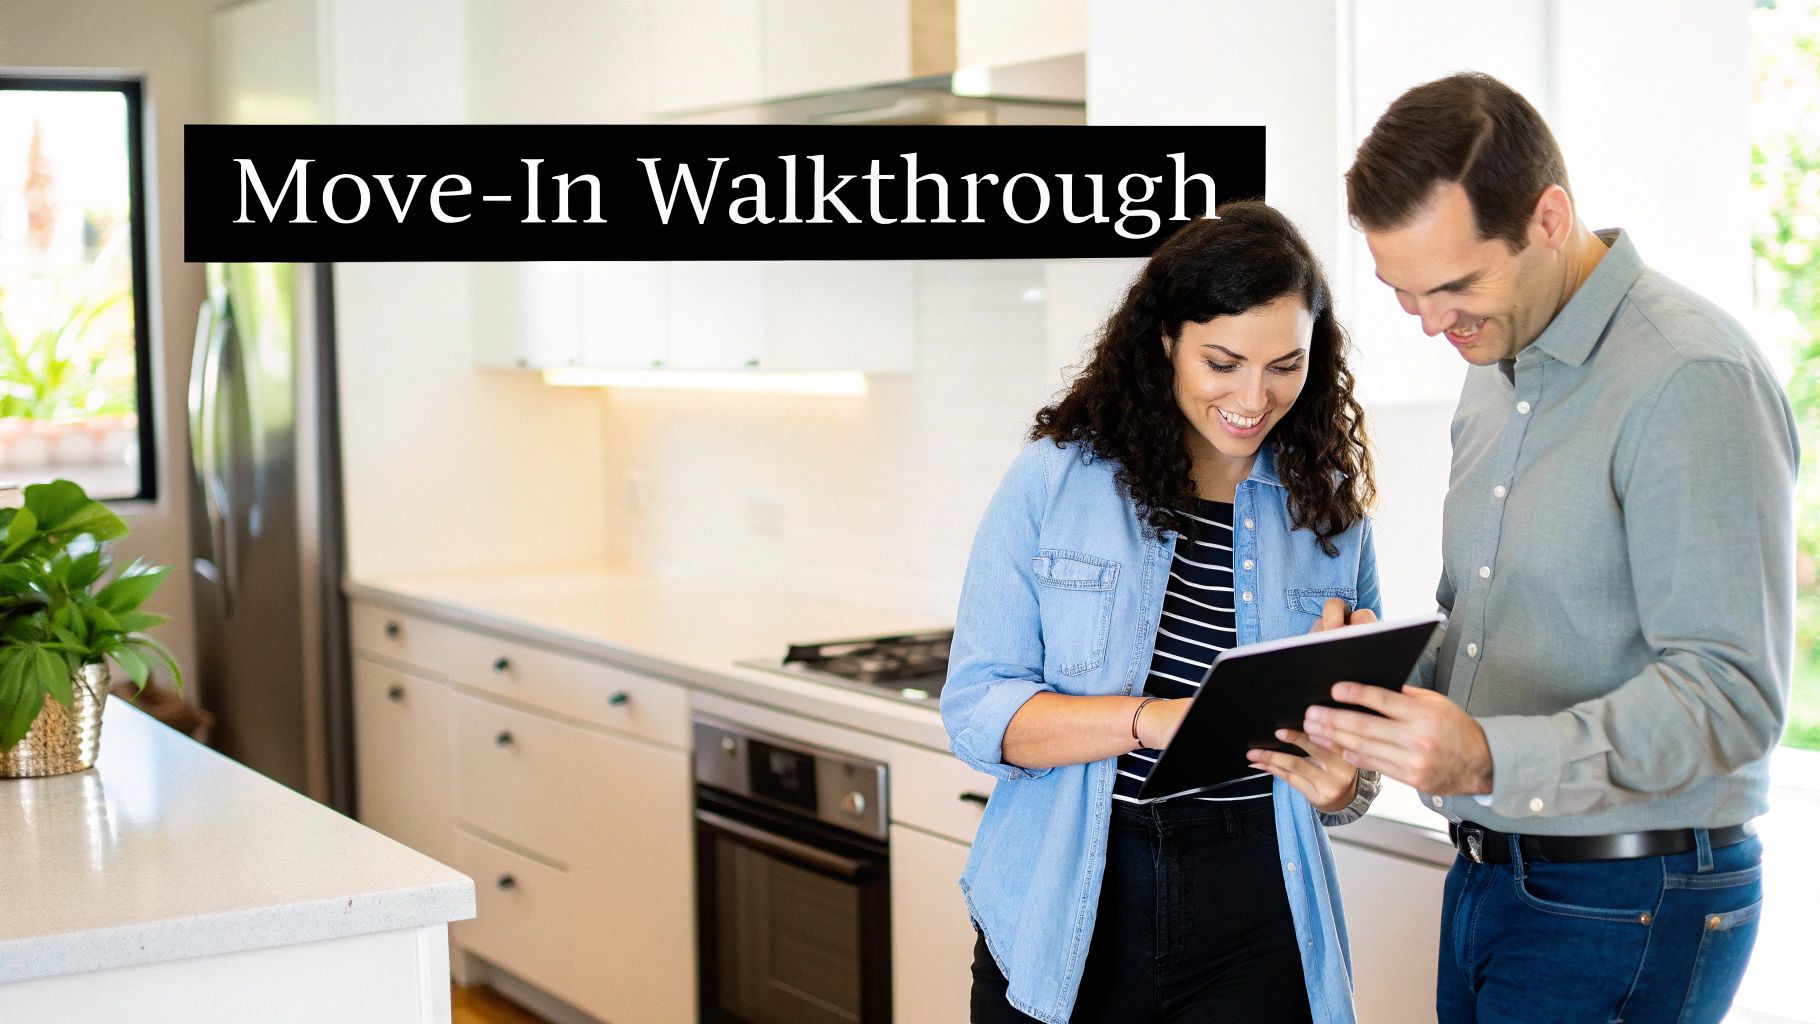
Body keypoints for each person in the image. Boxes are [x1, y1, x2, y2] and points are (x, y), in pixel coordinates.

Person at [1305, 72, 1799, 1023]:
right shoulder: (1494, 366)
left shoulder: (1689, 377)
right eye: (1403, 294)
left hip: (1631, 898)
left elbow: (1732, 698)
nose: (1433, 324)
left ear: (1548, 217)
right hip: (1495, 878)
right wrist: (1368, 691)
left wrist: (1490, 759)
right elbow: (1491, 633)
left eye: (1455, 287)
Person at [941, 200, 1383, 1024]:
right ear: (1165, 342)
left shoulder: (1329, 515)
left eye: (1285, 365)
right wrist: (1151, 722)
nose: (1255, 397)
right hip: (1073, 895)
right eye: (1223, 362)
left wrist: (1342, 784)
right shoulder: (1054, 481)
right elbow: (975, 712)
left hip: (1258, 904)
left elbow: (1355, 757)